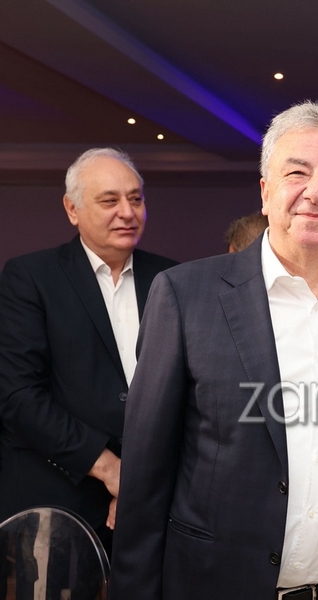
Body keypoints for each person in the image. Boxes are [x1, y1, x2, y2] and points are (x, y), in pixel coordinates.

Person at [109, 102, 318, 600]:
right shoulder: (186, 295)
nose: (316, 192)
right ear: (266, 193)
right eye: (297, 173)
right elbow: (145, 477)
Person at [0, 148, 177, 557]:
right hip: (55, 504)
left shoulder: (171, 278)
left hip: (153, 501)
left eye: (135, 199)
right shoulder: (30, 278)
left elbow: (187, 392)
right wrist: (111, 469)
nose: (127, 212)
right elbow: (18, 396)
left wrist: (139, 479)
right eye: (109, 200)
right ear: (72, 209)